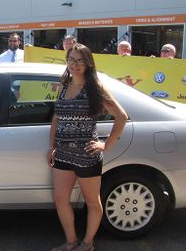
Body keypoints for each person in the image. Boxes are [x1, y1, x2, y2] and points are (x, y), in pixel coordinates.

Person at [47, 43, 128, 251]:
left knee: (92, 202)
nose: (75, 64)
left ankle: (88, 243)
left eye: (80, 60)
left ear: (88, 63)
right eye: (71, 60)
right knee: (60, 198)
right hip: (63, 153)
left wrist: (105, 145)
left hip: (87, 155)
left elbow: (121, 117)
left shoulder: (95, 88)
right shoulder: (64, 84)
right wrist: (52, 146)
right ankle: (71, 241)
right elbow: (57, 118)